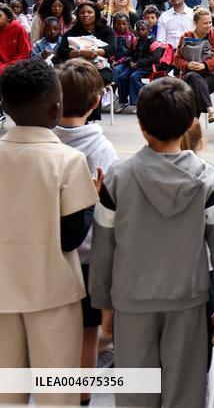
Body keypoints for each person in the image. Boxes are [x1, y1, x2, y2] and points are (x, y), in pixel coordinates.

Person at [89, 77, 214, 408]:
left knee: (135, 394)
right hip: (189, 303)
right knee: (185, 394)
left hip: (131, 302)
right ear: (189, 124)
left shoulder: (117, 178)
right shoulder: (208, 179)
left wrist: (104, 305)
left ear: (140, 126)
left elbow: (103, 248)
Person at [0, 60, 97, 407]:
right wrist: (91, 202)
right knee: (57, 390)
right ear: (56, 107)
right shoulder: (67, 160)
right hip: (53, 292)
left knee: (6, 391)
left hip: (3, 292)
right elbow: (71, 237)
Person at [53, 60, 118, 404]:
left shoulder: (47, 143)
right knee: (86, 335)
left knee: (52, 329)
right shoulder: (103, 148)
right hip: (91, 257)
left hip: (50, 255)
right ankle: (82, 395)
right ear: (96, 102)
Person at [174, 7, 214, 123]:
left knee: (194, 89)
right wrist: (188, 65)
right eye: (205, 23)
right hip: (190, 73)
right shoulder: (186, 36)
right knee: (193, 77)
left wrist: (205, 65)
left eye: (210, 22)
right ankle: (210, 110)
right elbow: (177, 59)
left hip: (213, 75)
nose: (209, 25)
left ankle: (191, 125)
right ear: (195, 23)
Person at [113, 19, 167, 113]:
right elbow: (130, 53)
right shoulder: (136, 41)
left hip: (147, 66)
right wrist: (129, 61)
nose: (140, 31)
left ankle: (139, 101)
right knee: (121, 77)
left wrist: (138, 64)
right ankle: (123, 101)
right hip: (135, 65)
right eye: (138, 29)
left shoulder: (153, 43)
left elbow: (154, 58)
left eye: (143, 29)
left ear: (148, 30)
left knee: (134, 77)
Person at [0, 3, 32, 73]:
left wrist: (7, 67)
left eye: (0, 16)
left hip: (17, 67)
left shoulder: (18, 29)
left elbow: (25, 53)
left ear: (8, 17)